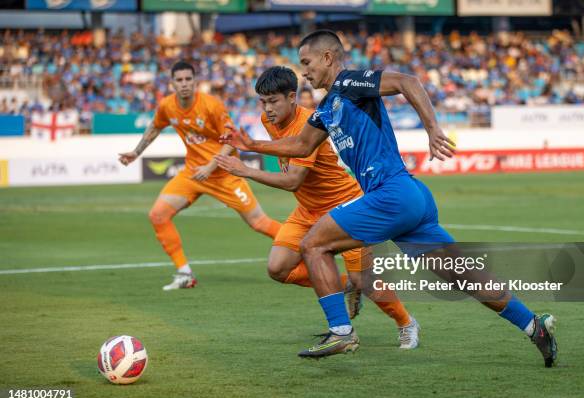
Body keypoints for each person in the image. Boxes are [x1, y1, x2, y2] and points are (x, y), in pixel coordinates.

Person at [221, 30, 557, 366]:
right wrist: (251, 145)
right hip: (409, 200)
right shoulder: (325, 108)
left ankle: (341, 331)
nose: (304, 71)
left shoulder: (350, 84)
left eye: (307, 63)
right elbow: (300, 146)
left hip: (391, 193)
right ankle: (533, 326)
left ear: (328, 57)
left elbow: (408, 82)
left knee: (313, 245)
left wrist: (432, 128)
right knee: (464, 277)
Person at [216, 66, 420, 349]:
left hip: (345, 205)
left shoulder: (307, 123)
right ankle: (344, 284)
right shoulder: (268, 120)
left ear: (291, 97)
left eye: (273, 101)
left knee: (367, 280)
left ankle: (406, 323)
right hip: (307, 210)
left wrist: (246, 170)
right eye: (263, 102)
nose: (267, 109)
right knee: (278, 268)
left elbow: (292, 180)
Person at [119, 61, 281, 291]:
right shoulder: (167, 106)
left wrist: (211, 166)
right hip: (193, 173)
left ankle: (302, 243)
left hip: (224, 174)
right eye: (179, 80)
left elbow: (230, 139)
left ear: (195, 81)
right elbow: (155, 127)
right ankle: (184, 274)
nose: (184, 84)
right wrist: (136, 152)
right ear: (172, 83)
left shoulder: (211, 105)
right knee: (158, 215)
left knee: (259, 223)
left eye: (188, 79)